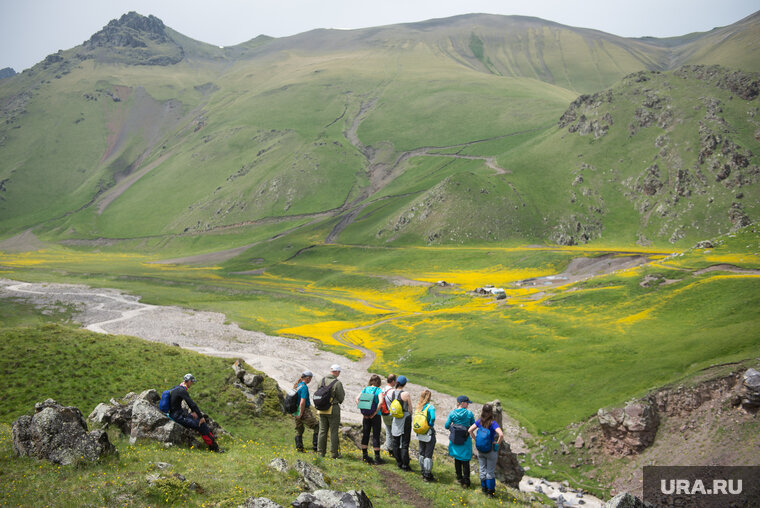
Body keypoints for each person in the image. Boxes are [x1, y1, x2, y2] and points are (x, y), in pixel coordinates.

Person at [168, 374, 223, 452]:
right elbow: (192, 404)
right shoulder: (182, 390)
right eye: (192, 382)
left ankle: (213, 445)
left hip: (176, 414)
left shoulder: (176, 388)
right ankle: (214, 448)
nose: (192, 384)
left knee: (197, 420)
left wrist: (193, 413)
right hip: (178, 417)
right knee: (201, 425)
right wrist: (201, 417)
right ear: (189, 381)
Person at [469, 403, 504, 496]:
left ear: (483, 411)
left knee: (482, 469)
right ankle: (490, 492)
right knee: (490, 471)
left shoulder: (480, 421)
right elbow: (501, 434)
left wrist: (476, 439)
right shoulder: (493, 423)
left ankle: (484, 488)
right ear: (491, 412)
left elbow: (470, 430)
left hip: (480, 450)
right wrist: (497, 443)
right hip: (491, 450)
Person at [444, 395, 475, 487]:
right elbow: (473, 424)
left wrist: (453, 428)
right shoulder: (469, 414)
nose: (468, 405)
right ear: (462, 403)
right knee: (465, 460)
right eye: (467, 403)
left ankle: (459, 478)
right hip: (465, 440)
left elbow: (446, 426)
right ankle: (466, 481)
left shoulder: (452, 413)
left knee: (457, 459)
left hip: (455, 440)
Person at [316, 364, 345, 459]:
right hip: (333, 409)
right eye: (339, 372)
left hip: (321, 409)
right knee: (333, 431)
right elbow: (341, 397)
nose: (339, 374)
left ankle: (321, 453)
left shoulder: (321, 380)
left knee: (322, 431)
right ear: (336, 372)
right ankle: (334, 453)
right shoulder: (337, 383)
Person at [355, 374, 385, 464]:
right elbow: (381, 402)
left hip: (366, 416)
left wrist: (363, 412)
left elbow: (357, 399)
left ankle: (365, 456)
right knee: (376, 435)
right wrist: (375, 413)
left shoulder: (365, 389)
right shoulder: (378, 390)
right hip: (375, 416)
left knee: (365, 434)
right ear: (378, 382)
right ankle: (377, 458)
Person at [390, 375, 413, 471]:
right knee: (404, 443)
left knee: (395, 441)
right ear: (404, 384)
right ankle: (405, 465)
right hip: (405, 419)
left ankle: (398, 462)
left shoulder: (392, 393)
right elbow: (410, 408)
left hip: (396, 419)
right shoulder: (406, 394)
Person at [293, 370, 319, 453]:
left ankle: (299, 448)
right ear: (308, 378)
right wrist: (301, 413)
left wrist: (298, 412)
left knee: (299, 429)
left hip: (296, 410)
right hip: (303, 410)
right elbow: (302, 401)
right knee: (317, 427)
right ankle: (316, 448)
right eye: (310, 378)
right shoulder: (304, 387)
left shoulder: (298, 385)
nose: (310, 380)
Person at [414, 389, 436, 482]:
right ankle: (427, 474)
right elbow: (433, 418)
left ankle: (422, 471)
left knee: (422, 452)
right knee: (428, 454)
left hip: (420, 432)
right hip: (428, 432)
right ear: (429, 397)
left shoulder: (418, 407)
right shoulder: (430, 407)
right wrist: (430, 425)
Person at [380, 374, 397, 457]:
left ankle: (389, 449)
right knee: (395, 433)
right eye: (395, 381)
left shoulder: (383, 390)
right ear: (393, 381)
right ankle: (394, 451)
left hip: (384, 414)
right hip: (391, 414)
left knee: (388, 432)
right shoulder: (392, 391)